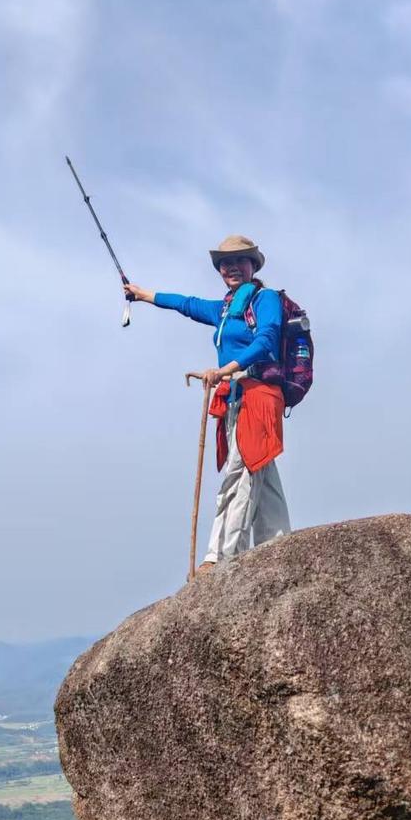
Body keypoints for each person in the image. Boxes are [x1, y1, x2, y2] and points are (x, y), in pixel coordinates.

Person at [124, 234, 291, 570]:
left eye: (239, 261)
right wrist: (143, 295)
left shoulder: (265, 299)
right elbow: (187, 304)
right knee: (259, 470)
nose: (231, 268)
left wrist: (226, 369)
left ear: (252, 265)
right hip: (235, 396)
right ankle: (281, 549)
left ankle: (221, 557)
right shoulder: (226, 310)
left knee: (239, 471)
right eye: (225, 263)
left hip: (257, 394)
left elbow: (267, 338)